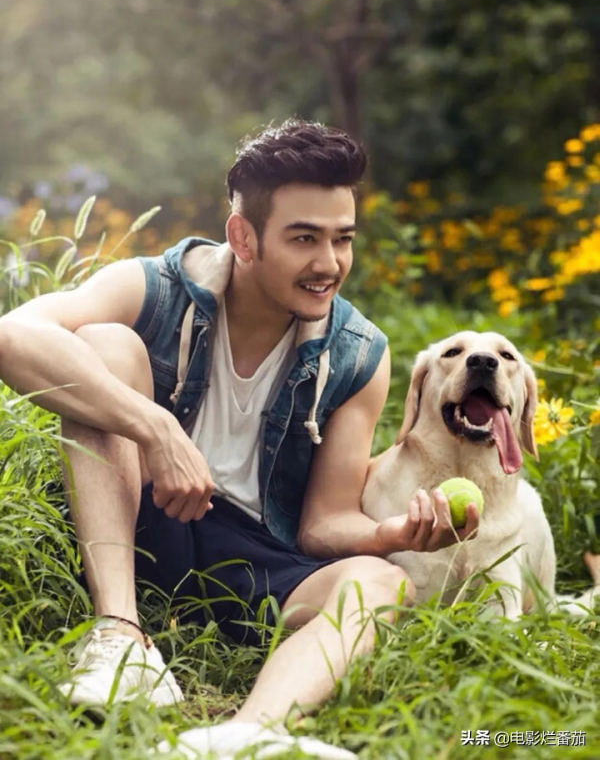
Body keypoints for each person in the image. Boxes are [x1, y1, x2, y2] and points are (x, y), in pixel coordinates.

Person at [0, 120, 480, 758]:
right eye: (304, 238)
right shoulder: (155, 287)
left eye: (343, 240)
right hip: (140, 517)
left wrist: (390, 537)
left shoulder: (359, 352)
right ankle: (119, 638)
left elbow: (323, 524)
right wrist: (155, 426)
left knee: (378, 582)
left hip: (256, 560)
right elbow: (12, 335)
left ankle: (248, 733)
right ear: (242, 236)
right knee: (103, 347)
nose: (329, 264)